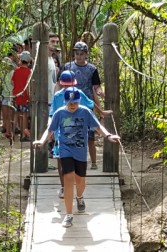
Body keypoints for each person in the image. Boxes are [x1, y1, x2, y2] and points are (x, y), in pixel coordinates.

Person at [33, 87, 120, 228]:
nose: (72, 106)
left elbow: (98, 127)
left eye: (75, 103)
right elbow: (50, 130)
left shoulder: (85, 112)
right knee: (68, 180)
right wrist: (41, 141)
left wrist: (109, 136)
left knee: (80, 181)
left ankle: (79, 197)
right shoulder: (59, 113)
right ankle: (68, 215)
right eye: (70, 103)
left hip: (80, 152)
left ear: (79, 101)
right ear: (65, 102)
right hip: (65, 150)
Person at [50, 70, 112, 198]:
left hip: (78, 133)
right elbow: (53, 114)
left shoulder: (80, 94)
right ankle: (64, 187)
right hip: (62, 133)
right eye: (66, 85)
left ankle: (79, 193)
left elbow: (90, 104)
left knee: (79, 172)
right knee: (61, 160)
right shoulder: (57, 96)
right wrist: (49, 129)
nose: (68, 87)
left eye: (70, 85)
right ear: (62, 85)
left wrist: (101, 112)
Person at [63, 41, 104, 169]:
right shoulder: (67, 67)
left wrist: (99, 92)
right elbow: (61, 83)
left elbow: (96, 86)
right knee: (72, 134)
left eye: (81, 54)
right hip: (70, 103)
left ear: (86, 54)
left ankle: (93, 162)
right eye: (77, 53)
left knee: (90, 136)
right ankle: (74, 162)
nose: (79, 56)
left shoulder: (92, 69)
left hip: (86, 104)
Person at [12, 51, 32, 142]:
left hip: (16, 95)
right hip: (24, 96)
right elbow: (29, 86)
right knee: (24, 115)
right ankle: (23, 135)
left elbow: (12, 82)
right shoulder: (29, 71)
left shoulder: (16, 70)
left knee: (16, 114)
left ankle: (13, 134)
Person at [1, 56, 16, 140]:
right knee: (6, 115)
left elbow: (13, 83)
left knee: (10, 115)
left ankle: (11, 132)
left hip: (11, 95)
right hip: (4, 95)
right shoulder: (2, 73)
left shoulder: (13, 72)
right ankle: (8, 132)